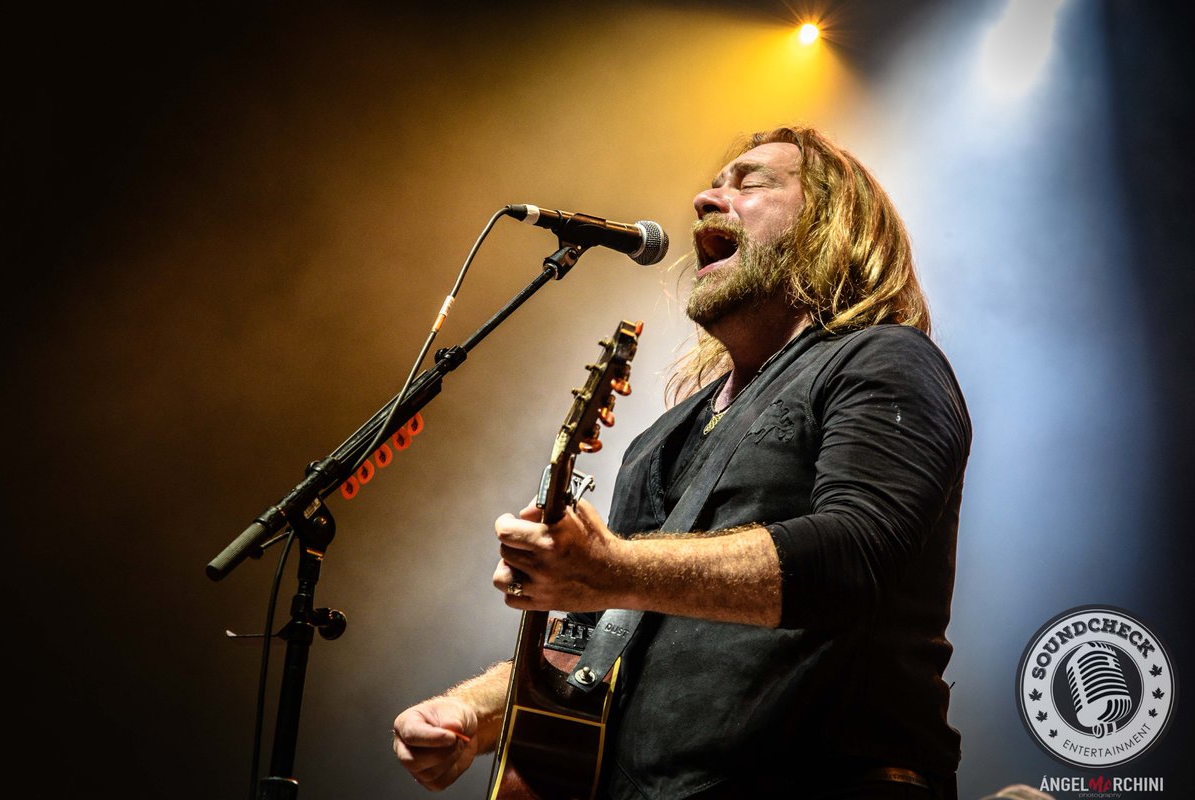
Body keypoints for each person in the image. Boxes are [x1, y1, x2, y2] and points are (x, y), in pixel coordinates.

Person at [392, 125, 971, 799]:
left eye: (751, 183)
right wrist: (475, 712)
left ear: (832, 226)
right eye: (714, 183)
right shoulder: (664, 439)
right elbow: (599, 633)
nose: (705, 198)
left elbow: (856, 554)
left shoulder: (883, 358)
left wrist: (610, 568)